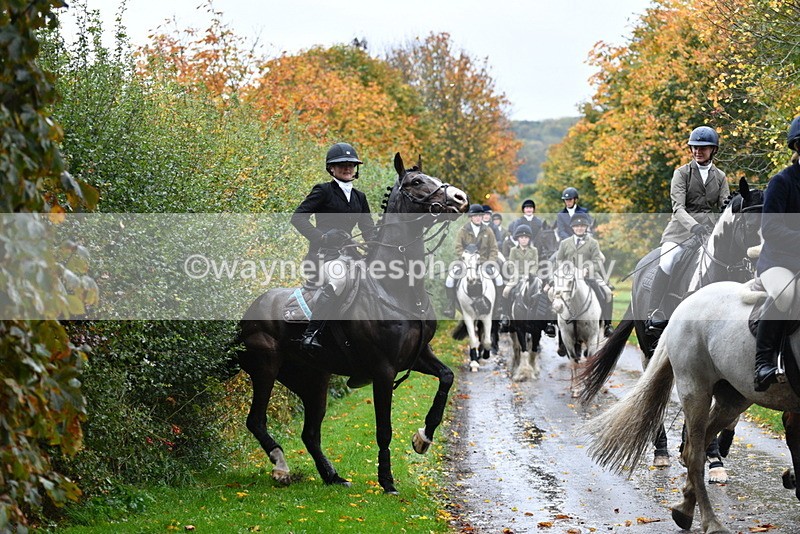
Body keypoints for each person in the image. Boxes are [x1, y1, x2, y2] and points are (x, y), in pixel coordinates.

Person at [291, 142, 376, 352]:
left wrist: (381, 245)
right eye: (341, 165)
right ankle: (311, 334)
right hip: (323, 256)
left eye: (351, 165)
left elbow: (368, 230)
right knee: (339, 280)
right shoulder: (323, 190)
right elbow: (298, 218)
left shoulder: (359, 197)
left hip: (350, 255)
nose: (347, 168)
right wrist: (322, 238)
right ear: (332, 168)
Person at [645, 126, 730, 332]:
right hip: (680, 230)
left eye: (703, 148)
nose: (698, 151)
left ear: (713, 150)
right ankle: (653, 311)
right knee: (668, 260)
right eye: (694, 147)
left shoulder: (720, 176)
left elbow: (724, 206)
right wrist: (694, 226)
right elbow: (678, 208)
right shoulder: (681, 173)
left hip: (708, 232)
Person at [753, 116, 800, 391]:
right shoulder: (781, 182)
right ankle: (763, 362)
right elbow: (770, 228)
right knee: (785, 294)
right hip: (779, 261)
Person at [555, 212, 614, 337]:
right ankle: (552, 324)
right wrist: (566, 270)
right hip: (568, 277)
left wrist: (587, 270)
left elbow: (598, 261)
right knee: (553, 294)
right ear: (572, 228)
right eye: (577, 226)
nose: (579, 228)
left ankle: (607, 325)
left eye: (582, 226)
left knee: (608, 293)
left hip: (590, 275)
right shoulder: (564, 243)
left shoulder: (593, 243)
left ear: (586, 227)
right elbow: (559, 260)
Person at [443, 203, 505, 318]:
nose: (478, 218)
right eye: (475, 216)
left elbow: (494, 248)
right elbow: (458, 247)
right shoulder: (463, 230)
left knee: (499, 278)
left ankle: (498, 306)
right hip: (466, 263)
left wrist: (490, 262)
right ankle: (451, 306)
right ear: (471, 217)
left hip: (484, 262)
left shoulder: (488, 230)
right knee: (450, 279)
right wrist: (465, 257)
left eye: (480, 216)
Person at [501, 223, 539, 312]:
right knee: (506, 291)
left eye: (526, 238)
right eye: (521, 237)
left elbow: (535, 265)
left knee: (542, 290)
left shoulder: (534, 250)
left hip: (531, 277)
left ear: (529, 239)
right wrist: (517, 275)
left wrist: (530, 274)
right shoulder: (513, 250)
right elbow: (511, 265)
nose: (524, 240)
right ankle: (505, 314)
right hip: (516, 277)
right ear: (518, 239)